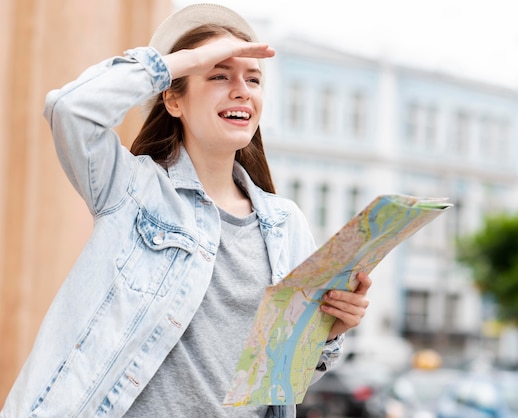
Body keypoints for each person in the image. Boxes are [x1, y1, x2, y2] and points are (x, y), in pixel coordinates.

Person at [0, 3, 371, 417]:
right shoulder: (133, 189)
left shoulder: (287, 225)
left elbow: (275, 383)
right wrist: (185, 60)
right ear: (173, 100)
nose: (242, 90)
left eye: (253, 79)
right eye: (219, 74)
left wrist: (327, 333)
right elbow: (71, 108)